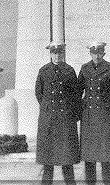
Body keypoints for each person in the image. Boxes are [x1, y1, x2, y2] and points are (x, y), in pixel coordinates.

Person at [35, 42, 81, 185]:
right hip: (48, 120)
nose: (57, 56)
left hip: (65, 120)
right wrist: (48, 108)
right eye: (54, 53)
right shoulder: (43, 71)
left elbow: (76, 94)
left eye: (60, 53)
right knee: (48, 162)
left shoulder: (70, 71)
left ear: (63, 54)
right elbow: (39, 93)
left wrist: (71, 113)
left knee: (67, 160)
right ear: (50, 54)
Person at [78, 41, 110, 185]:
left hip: (105, 116)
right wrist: (78, 113)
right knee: (89, 156)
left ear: (103, 53)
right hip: (89, 116)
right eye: (94, 53)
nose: (97, 56)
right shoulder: (84, 69)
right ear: (90, 54)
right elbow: (77, 92)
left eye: (99, 53)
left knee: (106, 156)